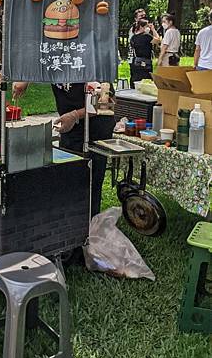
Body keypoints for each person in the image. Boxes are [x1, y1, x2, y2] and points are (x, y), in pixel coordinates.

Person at [13, 81, 115, 217]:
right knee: (67, 174)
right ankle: (68, 221)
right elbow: (38, 63)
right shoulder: (53, 61)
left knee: (90, 180)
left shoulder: (93, 63)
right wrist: (24, 79)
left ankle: (89, 223)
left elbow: (105, 103)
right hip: (69, 124)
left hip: (96, 127)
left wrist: (74, 116)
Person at [129, 19, 160, 87]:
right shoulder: (147, 36)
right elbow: (158, 40)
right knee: (147, 80)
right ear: (142, 27)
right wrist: (153, 30)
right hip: (146, 62)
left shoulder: (133, 37)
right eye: (147, 26)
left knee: (137, 79)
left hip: (137, 61)